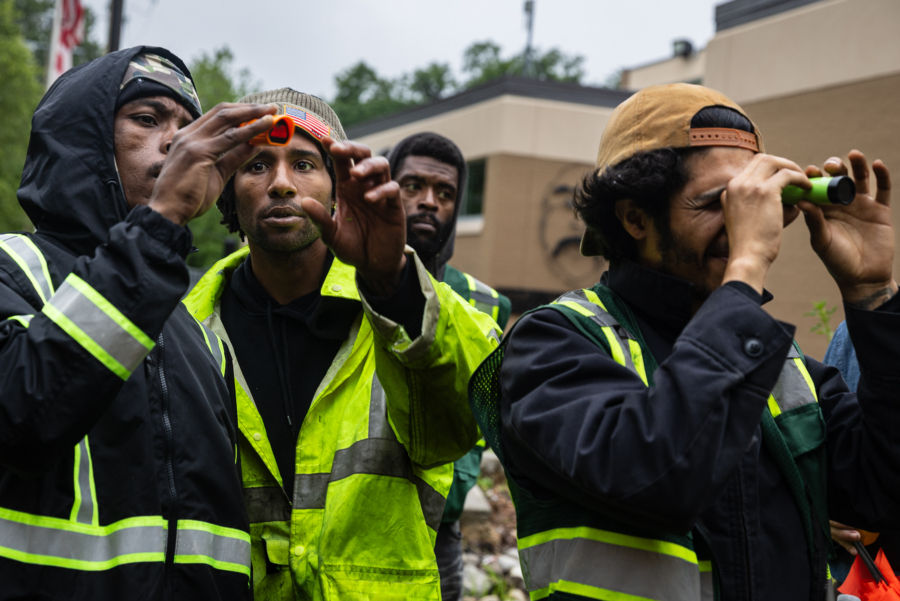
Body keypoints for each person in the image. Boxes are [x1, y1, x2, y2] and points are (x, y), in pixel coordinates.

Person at [468, 83, 900, 600]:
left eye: (751, 201)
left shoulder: (779, 364)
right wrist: (747, 267)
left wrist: (874, 296)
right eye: (718, 203)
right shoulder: (552, 343)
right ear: (635, 217)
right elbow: (659, 476)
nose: (741, 224)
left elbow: (881, 492)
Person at [183, 89, 499, 600]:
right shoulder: (183, 327)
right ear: (228, 191)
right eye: (257, 164)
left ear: (337, 190)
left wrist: (393, 285)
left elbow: (476, 412)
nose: (281, 183)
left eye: (304, 163)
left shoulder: (408, 306)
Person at [0, 47, 281, 599]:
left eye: (186, 127)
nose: (175, 142)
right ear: (84, 139)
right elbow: (21, 420)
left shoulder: (201, 337)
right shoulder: (13, 269)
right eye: (147, 119)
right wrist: (162, 220)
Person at [387, 132, 511, 600]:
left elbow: (482, 418)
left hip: (442, 529)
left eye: (445, 193)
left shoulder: (486, 302)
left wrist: (451, 495)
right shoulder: (346, 282)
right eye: (412, 186)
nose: (429, 202)